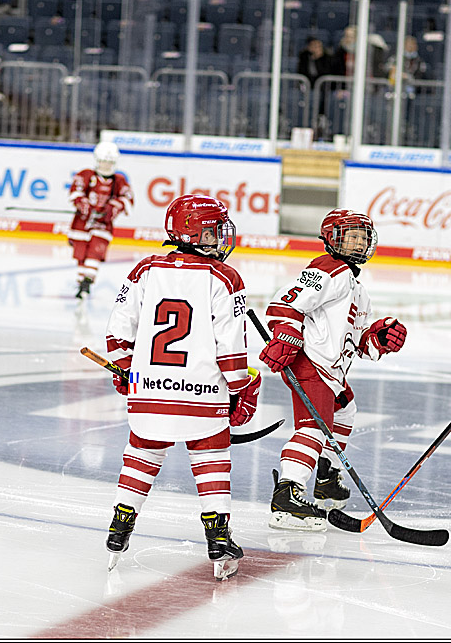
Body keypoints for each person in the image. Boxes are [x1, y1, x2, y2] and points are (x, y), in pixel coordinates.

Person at [103, 194, 260, 580]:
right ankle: (218, 539)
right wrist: (242, 387)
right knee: (212, 458)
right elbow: (231, 347)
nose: (220, 237)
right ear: (195, 233)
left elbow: (117, 332)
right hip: (203, 395)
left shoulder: (144, 269)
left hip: (149, 389)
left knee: (142, 452)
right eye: (213, 230)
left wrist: (126, 371)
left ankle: (119, 527)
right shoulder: (225, 277)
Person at [260, 209, 407, 531]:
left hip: (331, 370)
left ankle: (325, 476)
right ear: (332, 238)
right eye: (351, 236)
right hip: (310, 361)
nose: (359, 243)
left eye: (363, 237)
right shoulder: (329, 268)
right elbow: (285, 304)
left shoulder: (357, 288)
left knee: (345, 410)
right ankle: (287, 494)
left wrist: (378, 338)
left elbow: (356, 342)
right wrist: (285, 336)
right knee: (314, 427)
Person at [67, 142, 133, 299]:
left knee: (95, 251)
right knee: (81, 252)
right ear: (97, 160)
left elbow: (127, 199)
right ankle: (81, 281)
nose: (106, 165)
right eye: (103, 161)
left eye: (109, 162)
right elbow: (75, 192)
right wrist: (83, 204)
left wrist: (114, 207)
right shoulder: (86, 175)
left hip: (103, 225)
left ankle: (87, 281)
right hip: (82, 223)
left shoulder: (119, 181)